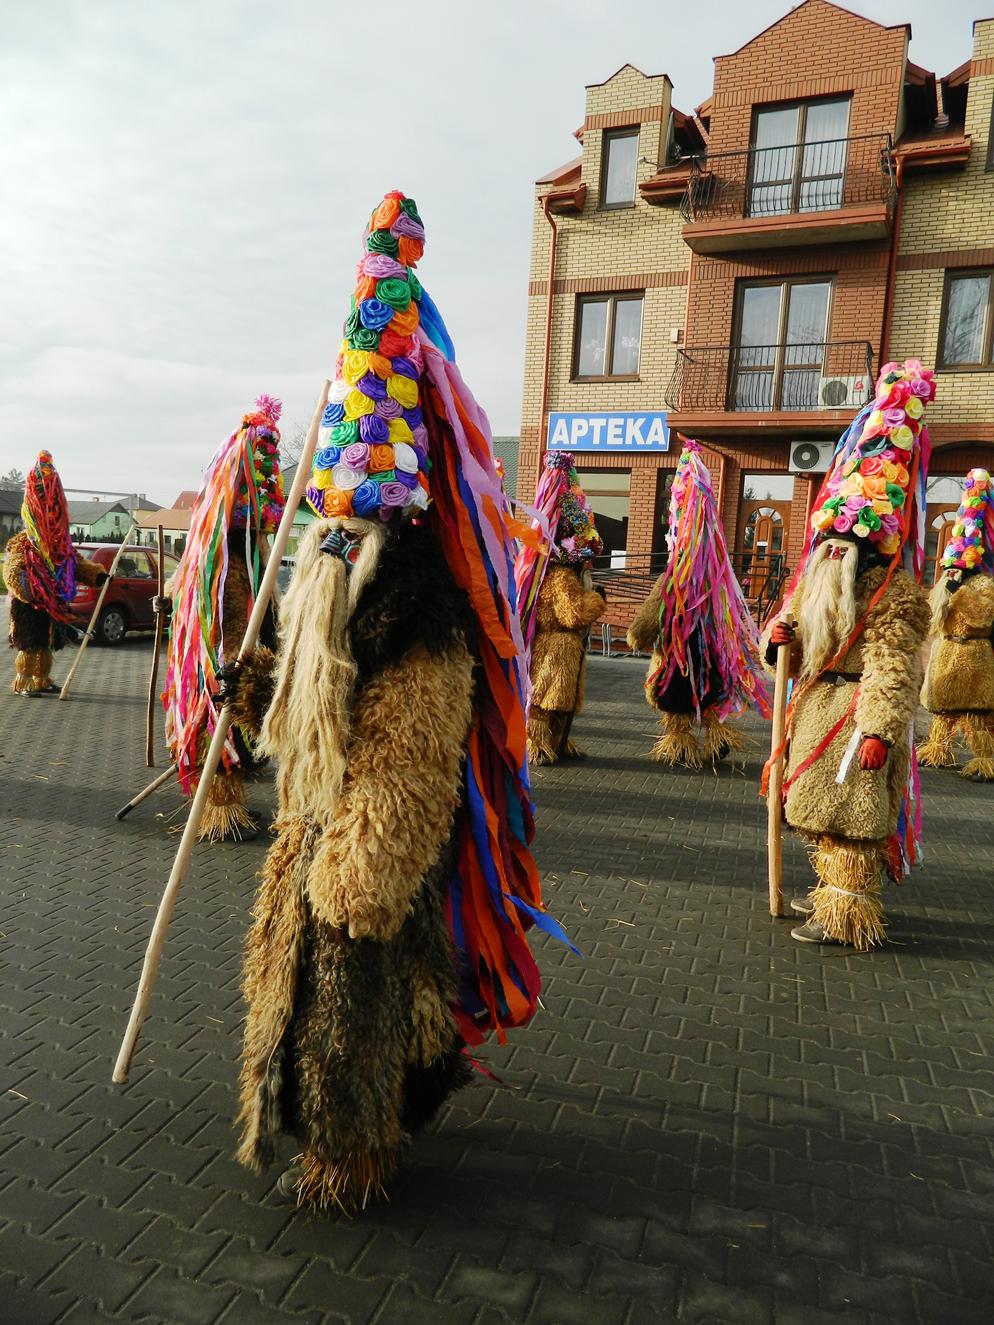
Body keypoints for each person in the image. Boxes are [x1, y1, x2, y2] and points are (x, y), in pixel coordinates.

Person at [225, 191, 555, 1212]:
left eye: (346, 527)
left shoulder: (417, 605)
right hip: (312, 831)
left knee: (354, 1018)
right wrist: (254, 685)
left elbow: (415, 747)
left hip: (369, 854)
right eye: (325, 527)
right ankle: (322, 1132)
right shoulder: (324, 580)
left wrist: (363, 870)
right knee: (296, 1006)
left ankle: (353, 1157)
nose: (330, 541)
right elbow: (303, 693)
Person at [763, 360, 934, 949]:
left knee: (853, 818)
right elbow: (789, 638)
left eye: (847, 542)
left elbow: (894, 667)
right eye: (830, 541)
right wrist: (776, 643)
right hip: (814, 710)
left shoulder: (894, 595)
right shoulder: (815, 582)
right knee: (817, 811)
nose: (835, 552)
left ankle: (846, 912)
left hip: (857, 717)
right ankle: (829, 892)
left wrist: (880, 730)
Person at [160, 396, 284, 841]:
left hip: (239, 658)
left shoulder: (251, 556)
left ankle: (230, 808)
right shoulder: (219, 559)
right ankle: (222, 816)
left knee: (237, 736)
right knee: (219, 735)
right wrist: (232, 660)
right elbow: (205, 602)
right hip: (218, 666)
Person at [627, 440, 770, 766]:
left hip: (676, 660)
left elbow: (649, 618)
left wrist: (637, 636)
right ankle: (718, 735)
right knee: (709, 698)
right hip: (711, 658)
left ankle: (681, 744)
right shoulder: (717, 580)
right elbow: (733, 618)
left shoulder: (672, 579)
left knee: (676, 705)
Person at [514, 451, 606, 765]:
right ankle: (537, 744)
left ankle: (559, 742)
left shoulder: (559, 573)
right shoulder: (561, 577)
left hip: (564, 649)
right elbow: (573, 613)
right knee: (546, 700)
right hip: (555, 648)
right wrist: (596, 600)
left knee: (560, 702)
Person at [5, 451, 106, 696]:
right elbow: (12, 571)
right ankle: (23, 681)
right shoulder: (23, 545)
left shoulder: (60, 547)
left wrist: (97, 576)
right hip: (29, 605)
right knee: (30, 643)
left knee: (46, 644)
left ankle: (41, 679)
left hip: (51, 603)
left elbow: (76, 564)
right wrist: (29, 590)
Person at [918, 468, 994, 781]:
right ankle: (938, 749)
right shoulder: (945, 585)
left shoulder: (985, 585)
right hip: (947, 653)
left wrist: (959, 593)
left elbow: (982, 616)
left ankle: (985, 760)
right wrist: (944, 593)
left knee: (975, 714)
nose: (951, 572)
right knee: (942, 710)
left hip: (974, 659)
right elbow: (933, 619)